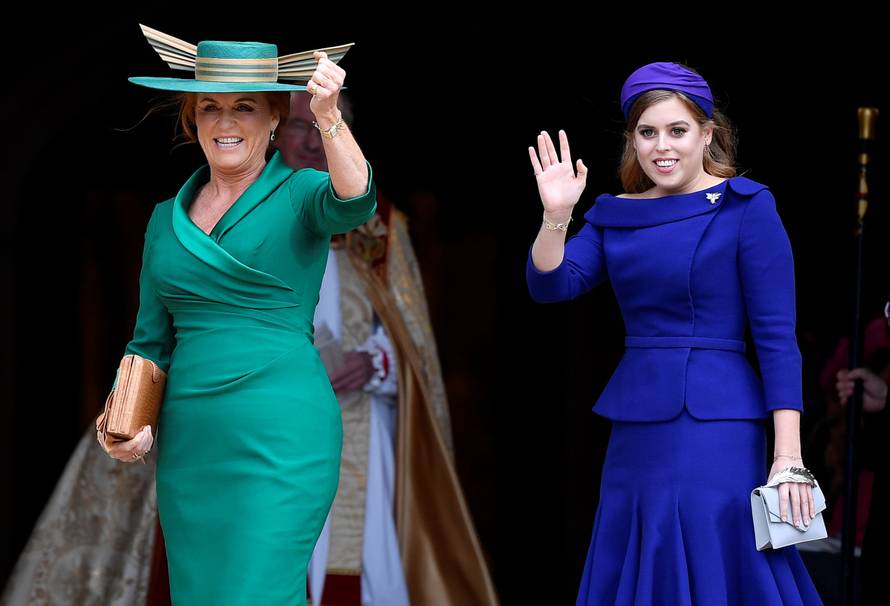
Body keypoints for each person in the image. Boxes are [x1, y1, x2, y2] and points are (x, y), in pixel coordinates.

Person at [96, 26, 377, 605]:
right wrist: (125, 420)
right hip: (192, 445)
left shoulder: (301, 192)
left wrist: (328, 117)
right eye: (210, 108)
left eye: (244, 107)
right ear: (192, 120)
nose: (226, 123)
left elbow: (356, 200)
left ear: (275, 117)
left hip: (281, 435)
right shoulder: (162, 221)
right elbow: (149, 341)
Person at [525, 62, 824, 604]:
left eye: (677, 131)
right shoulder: (616, 213)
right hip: (637, 423)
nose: (662, 147)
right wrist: (556, 216)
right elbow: (552, 286)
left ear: (707, 133)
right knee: (640, 553)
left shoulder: (747, 207)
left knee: (712, 559)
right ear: (632, 140)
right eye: (647, 132)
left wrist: (789, 458)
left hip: (718, 426)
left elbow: (778, 340)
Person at [277, 91, 498, 606]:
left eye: (328, 126)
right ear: (271, 135)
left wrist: (376, 362)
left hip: (360, 426)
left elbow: (414, 343)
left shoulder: (379, 227)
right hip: (271, 424)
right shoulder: (244, 218)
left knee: (354, 561)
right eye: (297, 126)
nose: (312, 140)